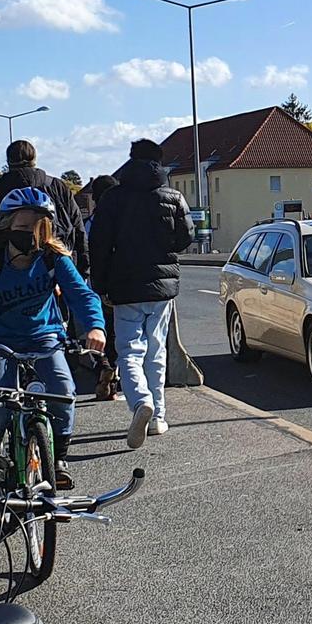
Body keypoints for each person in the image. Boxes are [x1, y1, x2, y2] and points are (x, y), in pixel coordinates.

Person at [0, 187, 105, 492]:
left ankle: (57, 458)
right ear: (6, 225)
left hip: (44, 337)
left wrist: (94, 328)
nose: (29, 233)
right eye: (22, 226)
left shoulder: (52, 259)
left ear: (46, 227)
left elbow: (81, 296)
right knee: (0, 404)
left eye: (36, 226)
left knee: (63, 391)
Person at [88, 139, 194, 448]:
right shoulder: (173, 197)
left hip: (124, 285)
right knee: (155, 350)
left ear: (130, 160)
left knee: (129, 351)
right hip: (162, 288)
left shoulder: (112, 198)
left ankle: (139, 402)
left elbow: (98, 244)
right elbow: (185, 238)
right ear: (159, 163)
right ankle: (158, 416)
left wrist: (101, 284)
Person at [0, 140, 88, 275]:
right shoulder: (56, 185)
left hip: (11, 267)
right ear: (34, 159)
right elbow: (77, 225)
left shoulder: (1, 189)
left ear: (8, 161)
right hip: (58, 258)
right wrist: (83, 266)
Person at [80, 175, 121, 400]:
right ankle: (113, 376)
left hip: (95, 285)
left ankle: (102, 367)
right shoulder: (123, 220)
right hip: (122, 285)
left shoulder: (90, 222)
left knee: (95, 332)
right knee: (117, 334)